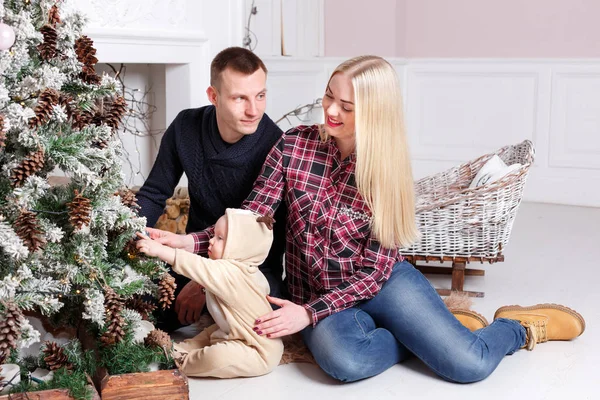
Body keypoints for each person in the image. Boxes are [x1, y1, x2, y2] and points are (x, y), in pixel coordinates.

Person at [148, 55, 585, 383]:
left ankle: (517, 327)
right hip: (318, 289)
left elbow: (375, 273)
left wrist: (307, 316)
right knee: (345, 362)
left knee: (468, 365)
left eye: (347, 106)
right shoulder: (293, 146)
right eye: (329, 97)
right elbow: (253, 219)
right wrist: (189, 245)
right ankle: (423, 336)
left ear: (373, 111)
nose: (331, 112)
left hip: (380, 282)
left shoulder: (386, 170)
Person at [136, 47, 286, 330]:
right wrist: (132, 235)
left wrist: (203, 285)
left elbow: (256, 238)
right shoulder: (186, 127)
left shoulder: (276, 145)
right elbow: (154, 192)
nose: (254, 110)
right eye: (240, 98)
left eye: (260, 96)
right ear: (213, 96)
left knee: (251, 318)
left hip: (250, 272)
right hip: (194, 253)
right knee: (137, 305)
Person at [136, 209, 284, 378]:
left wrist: (159, 250)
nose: (211, 241)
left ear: (240, 247)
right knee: (209, 335)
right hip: (234, 331)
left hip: (258, 351)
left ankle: (180, 360)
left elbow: (194, 264)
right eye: (214, 235)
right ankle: (179, 349)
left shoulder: (231, 273)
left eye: (220, 239)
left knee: (217, 357)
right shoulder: (248, 270)